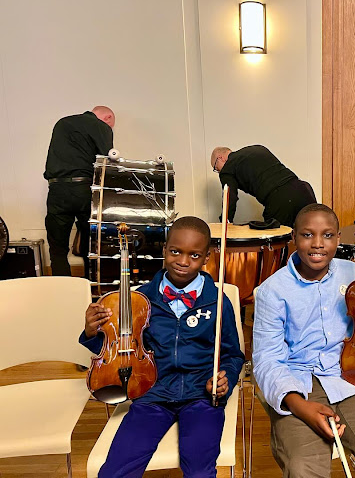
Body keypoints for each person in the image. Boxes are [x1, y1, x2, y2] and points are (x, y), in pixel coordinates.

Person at [80, 216, 245, 477]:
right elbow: (117, 348)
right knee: (114, 472)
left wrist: (226, 377)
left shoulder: (218, 300)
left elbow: (233, 355)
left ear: (207, 258)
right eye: (176, 251)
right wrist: (91, 331)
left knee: (200, 472)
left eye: (194, 255)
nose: (183, 261)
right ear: (164, 250)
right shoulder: (140, 298)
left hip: (202, 396)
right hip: (152, 394)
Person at [253, 203, 355, 477]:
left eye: (327, 235)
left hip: (353, 376)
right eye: (307, 235)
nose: (317, 244)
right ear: (294, 238)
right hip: (298, 384)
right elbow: (267, 360)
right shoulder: (271, 291)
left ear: (338, 238)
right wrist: (299, 406)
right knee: (304, 468)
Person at [44, 106, 116, 277]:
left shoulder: (62, 123)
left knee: (58, 249)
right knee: (90, 244)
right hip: (85, 189)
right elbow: (107, 161)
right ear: (107, 117)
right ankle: (88, 288)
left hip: (56, 189)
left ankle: (62, 291)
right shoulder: (101, 127)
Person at [211, 145, 316, 227]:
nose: (219, 171)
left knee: (277, 245)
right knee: (313, 233)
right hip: (303, 189)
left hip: (282, 199)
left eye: (216, 168)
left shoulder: (227, 168)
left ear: (221, 158)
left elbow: (229, 197)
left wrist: (225, 223)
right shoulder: (258, 149)